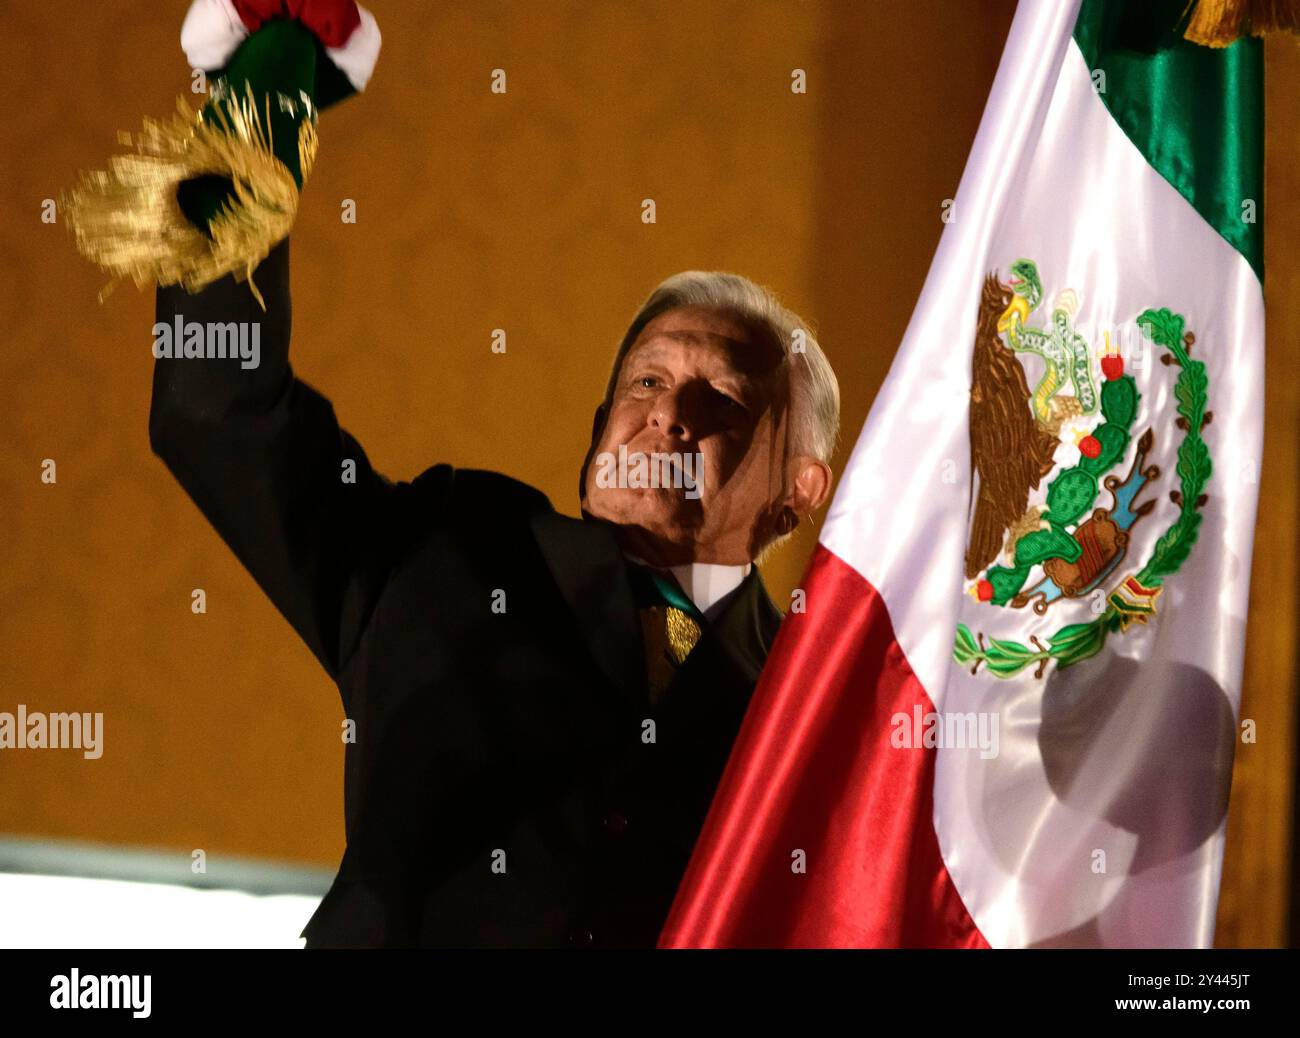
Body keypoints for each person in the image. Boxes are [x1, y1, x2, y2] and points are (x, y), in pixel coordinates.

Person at [100, 0, 842, 948]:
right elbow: (218, 410)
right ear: (595, 432)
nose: (665, 411)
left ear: (799, 492)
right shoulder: (448, 544)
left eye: (721, 401)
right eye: (645, 380)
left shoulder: (812, 709)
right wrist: (257, 108)